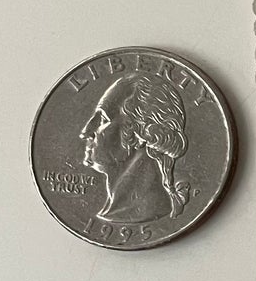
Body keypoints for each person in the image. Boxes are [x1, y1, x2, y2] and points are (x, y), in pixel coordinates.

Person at [79, 72, 190, 223]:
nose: (85, 132)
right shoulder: (116, 211)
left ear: (139, 133)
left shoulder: (145, 210)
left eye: (103, 119)